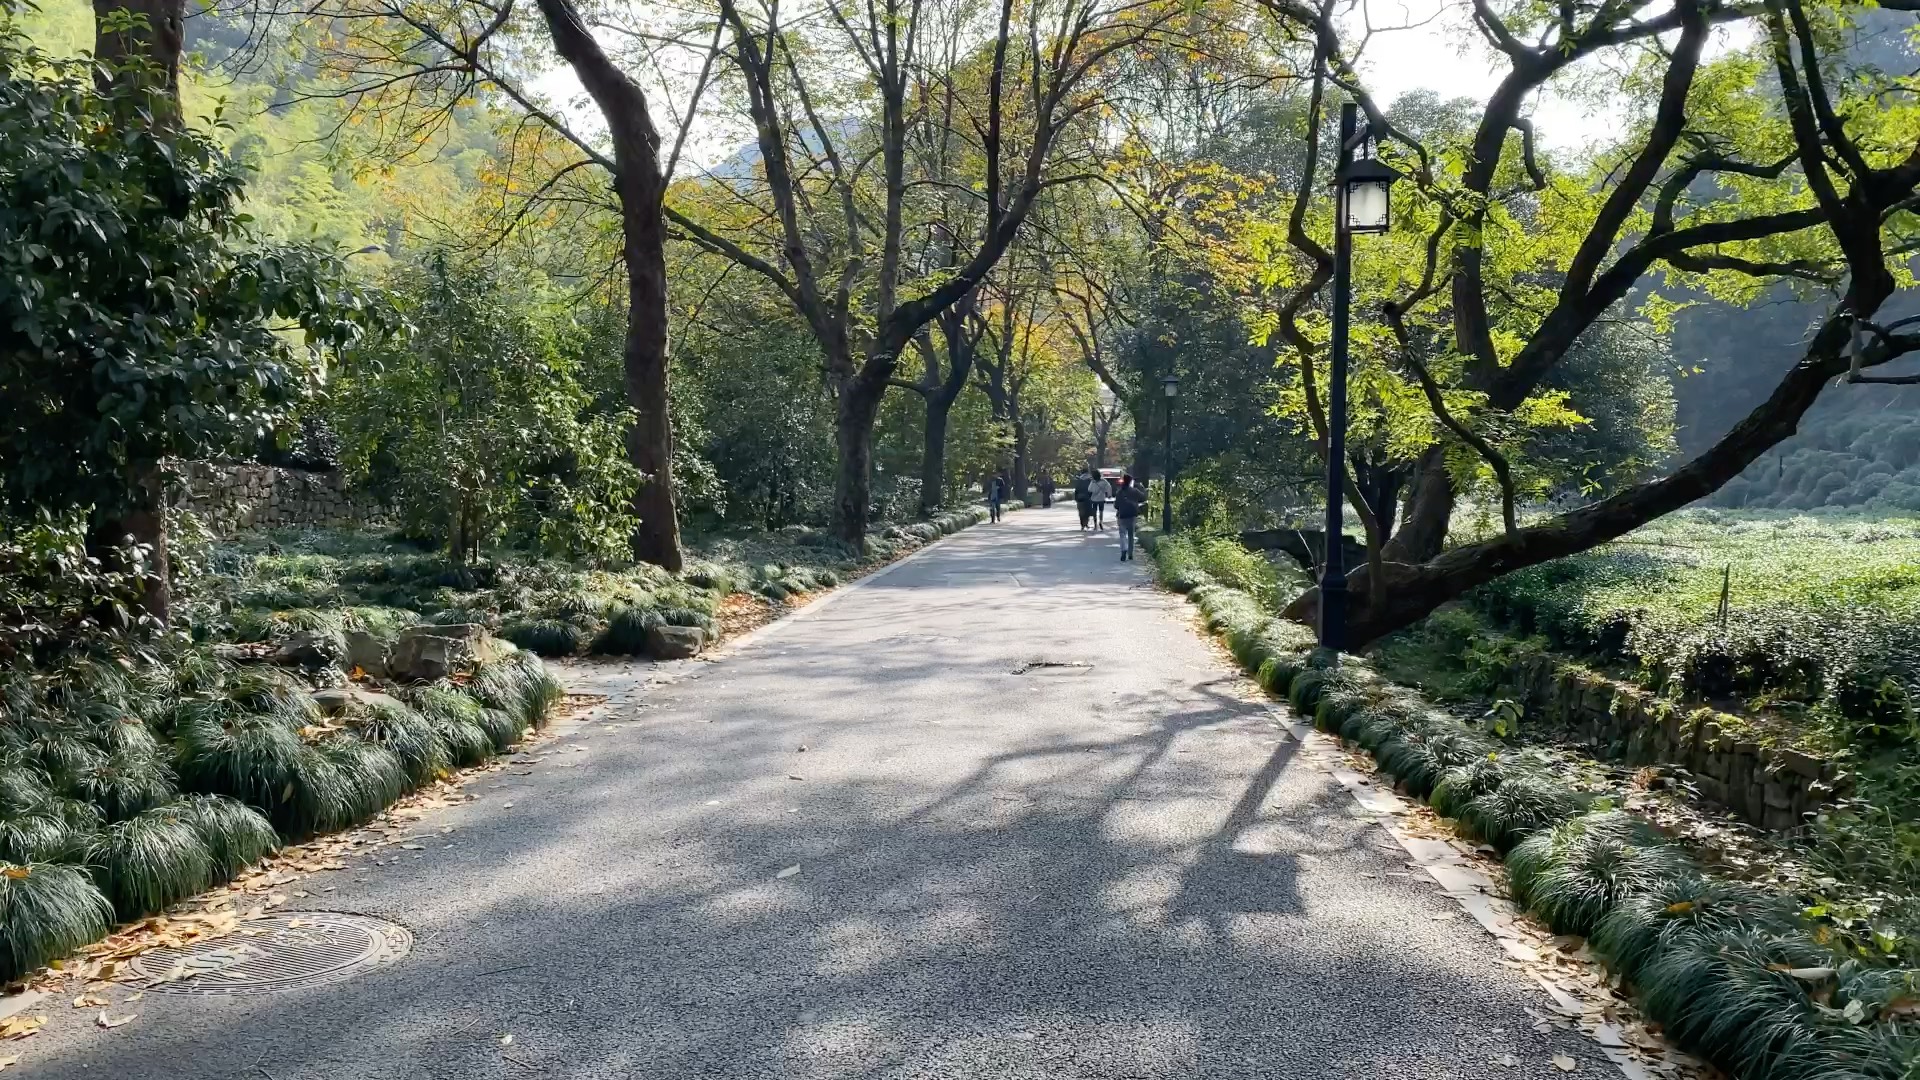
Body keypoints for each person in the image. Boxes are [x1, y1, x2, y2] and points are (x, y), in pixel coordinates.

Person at [1113, 473, 1148, 560]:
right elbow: (1144, 498)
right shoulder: (1134, 491)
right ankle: (1130, 553)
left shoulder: (1119, 492)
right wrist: (1142, 488)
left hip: (1122, 515)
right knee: (1131, 535)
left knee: (1122, 534)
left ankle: (1123, 549)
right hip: (1132, 515)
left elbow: (1116, 505)